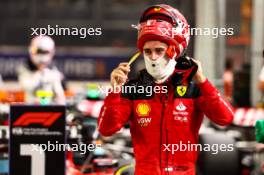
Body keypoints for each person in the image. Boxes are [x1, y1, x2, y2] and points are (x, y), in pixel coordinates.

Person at [98, 4, 234, 175]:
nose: (153, 57)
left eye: (159, 50)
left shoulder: (193, 88)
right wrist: (115, 90)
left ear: (174, 51)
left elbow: (225, 118)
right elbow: (106, 129)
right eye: (147, 51)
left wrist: (203, 81)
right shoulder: (133, 89)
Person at [17, 35, 66, 105]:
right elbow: (27, 87)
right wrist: (39, 75)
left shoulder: (53, 72)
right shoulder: (24, 69)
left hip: (51, 108)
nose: (41, 55)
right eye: (39, 51)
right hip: (30, 107)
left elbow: (60, 95)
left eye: (44, 52)